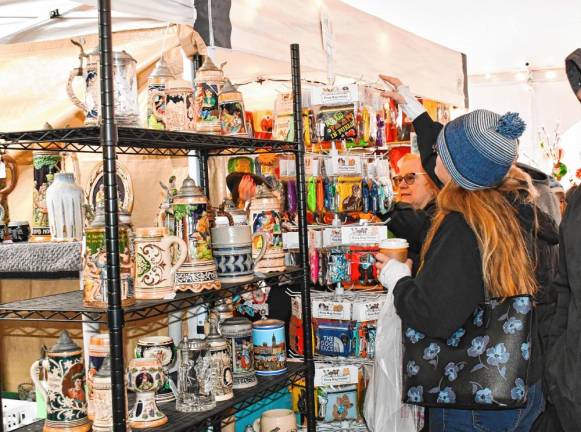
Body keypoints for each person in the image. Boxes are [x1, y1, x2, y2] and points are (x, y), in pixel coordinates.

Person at [376, 108, 546, 431]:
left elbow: (433, 314)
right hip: (519, 384)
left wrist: (398, 278)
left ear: (458, 167)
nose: (433, 152)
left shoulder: (461, 224)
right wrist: (413, 108)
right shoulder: (508, 207)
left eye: (442, 147)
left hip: (472, 400)